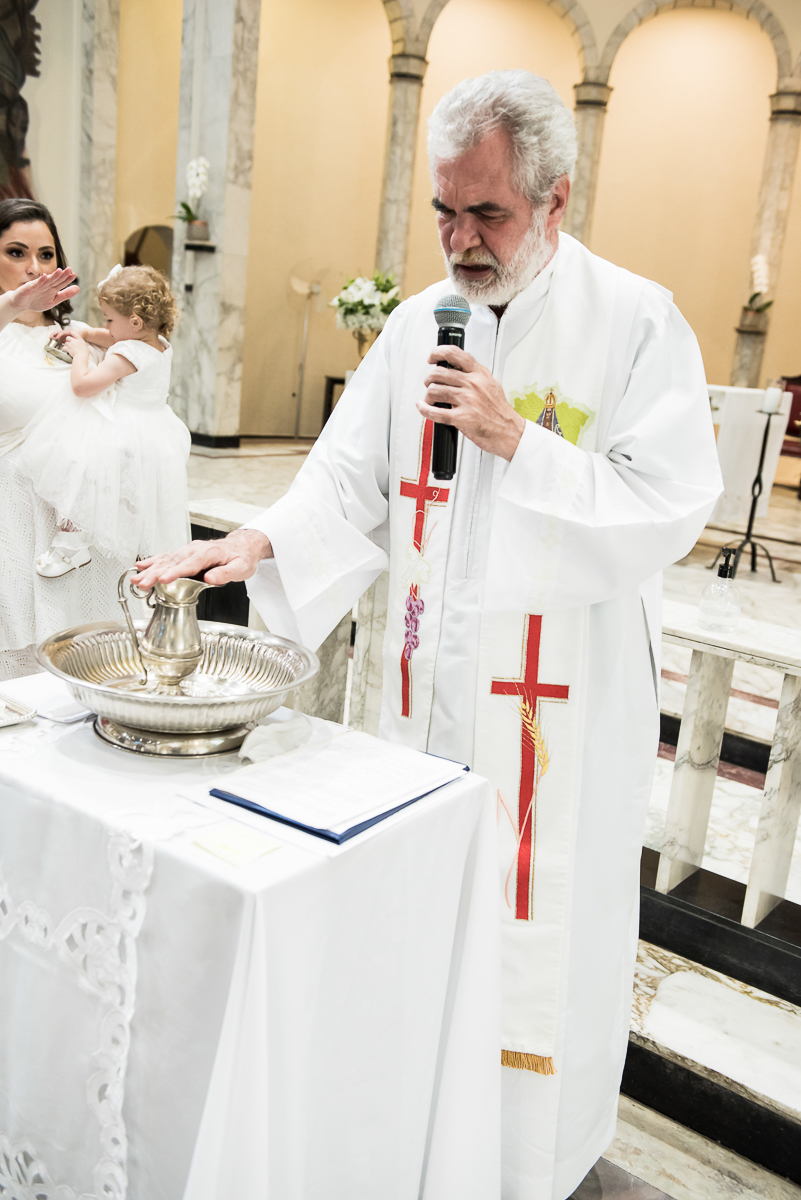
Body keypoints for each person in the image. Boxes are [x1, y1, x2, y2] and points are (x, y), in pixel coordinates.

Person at [134, 71, 723, 1200]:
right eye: (444, 211)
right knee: (414, 933)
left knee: (535, 950)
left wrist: (518, 441)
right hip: (419, 711)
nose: (459, 239)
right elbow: (346, 480)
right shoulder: (418, 325)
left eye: (487, 213)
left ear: (554, 199)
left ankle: (522, 1169)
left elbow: (670, 504)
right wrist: (258, 545)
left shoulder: (637, 322)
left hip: (555, 722)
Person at [0, 200, 141, 679]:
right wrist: (16, 304)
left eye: (45, 254)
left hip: (79, 519)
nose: (33, 269)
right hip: (14, 518)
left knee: (85, 661)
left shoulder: (73, 334)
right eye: (16, 253)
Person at [19, 263, 190, 575]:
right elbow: (117, 339)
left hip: (124, 428)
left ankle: (73, 545)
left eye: (109, 319)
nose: (106, 326)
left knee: (80, 470)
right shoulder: (158, 344)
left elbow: (83, 386)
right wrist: (85, 331)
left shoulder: (127, 356)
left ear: (135, 322)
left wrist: (81, 351)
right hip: (156, 429)